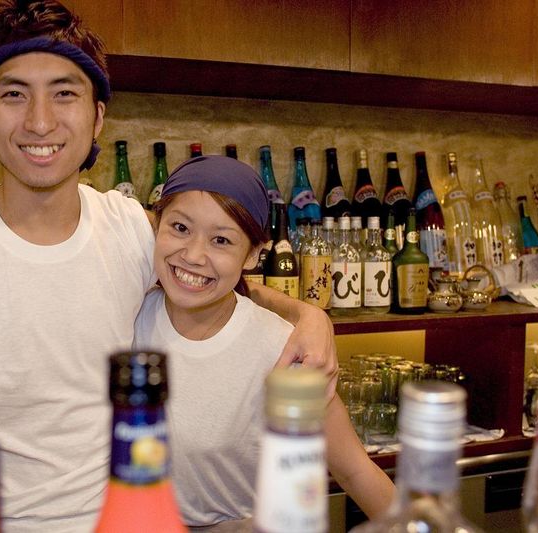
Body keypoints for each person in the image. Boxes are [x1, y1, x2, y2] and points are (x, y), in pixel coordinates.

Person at [0, 1, 337, 531]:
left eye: (64, 93)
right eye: (14, 94)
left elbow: (210, 273)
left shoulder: (130, 227)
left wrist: (307, 315)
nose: (40, 121)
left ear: (97, 116)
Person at [133, 155, 394, 529]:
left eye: (221, 240)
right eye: (180, 227)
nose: (192, 255)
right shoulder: (128, 315)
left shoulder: (282, 349)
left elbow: (354, 471)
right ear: (155, 226)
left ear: (253, 254)